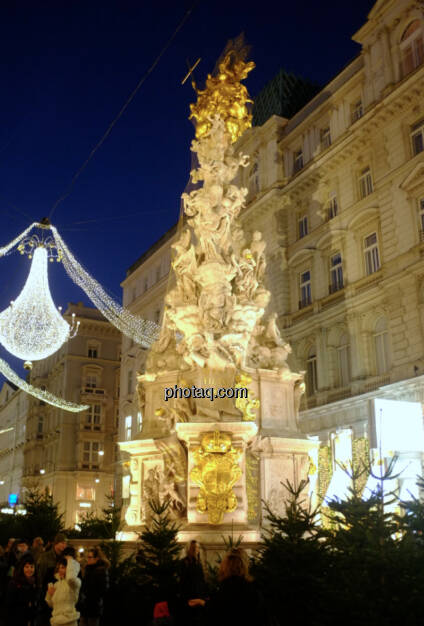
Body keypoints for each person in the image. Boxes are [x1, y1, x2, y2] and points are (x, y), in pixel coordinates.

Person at [189, 548, 264, 626]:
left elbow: (216, 612)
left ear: (225, 566)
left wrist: (202, 603)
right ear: (245, 566)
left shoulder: (225, 588)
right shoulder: (252, 589)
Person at [36, 533, 67, 626]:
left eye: (65, 543)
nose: (64, 545)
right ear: (56, 543)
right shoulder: (45, 557)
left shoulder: (65, 558)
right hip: (48, 593)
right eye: (62, 543)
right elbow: (40, 575)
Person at [45, 555, 81, 626]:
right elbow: (52, 605)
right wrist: (49, 595)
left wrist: (70, 561)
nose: (60, 570)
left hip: (69, 621)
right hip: (56, 622)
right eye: (59, 568)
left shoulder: (75, 582)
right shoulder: (56, 584)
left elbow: (71, 578)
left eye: (63, 567)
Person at [78, 547, 110, 626]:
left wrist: (90, 595)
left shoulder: (101, 571)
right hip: (84, 606)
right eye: (87, 557)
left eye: (90, 557)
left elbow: (103, 590)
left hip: (94, 607)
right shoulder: (88, 569)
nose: (87, 559)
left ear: (97, 558)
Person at [5, 554, 39, 626]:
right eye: (26, 567)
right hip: (17, 620)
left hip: (30, 620)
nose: (29, 569)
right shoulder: (14, 583)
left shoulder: (35, 582)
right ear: (22, 568)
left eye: (32, 567)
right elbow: (8, 605)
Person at [177, 541, 206, 626]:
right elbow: (183, 580)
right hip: (188, 596)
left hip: (199, 595)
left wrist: (204, 595)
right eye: (194, 548)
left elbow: (201, 580)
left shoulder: (199, 563)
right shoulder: (183, 562)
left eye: (198, 548)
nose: (197, 550)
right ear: (190, 549)